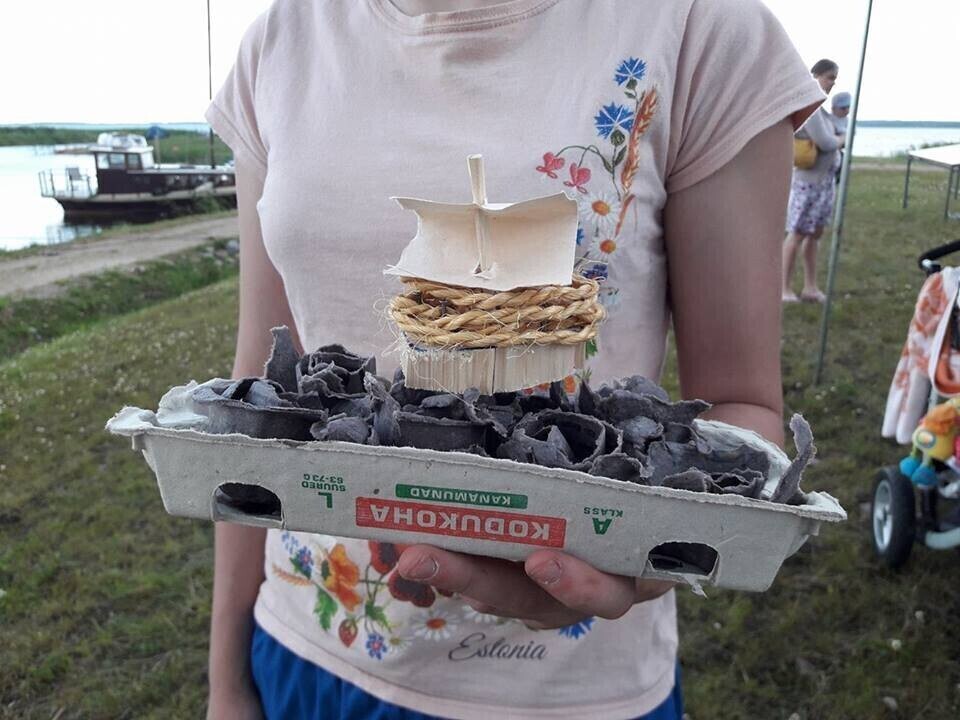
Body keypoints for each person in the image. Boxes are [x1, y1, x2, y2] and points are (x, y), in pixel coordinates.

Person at [204, 1, 824, 718]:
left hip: (570, 692)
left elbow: (741, 411)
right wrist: (226, 682)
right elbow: (257, 397)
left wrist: (646, 553)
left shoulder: (701, 29)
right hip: (305, 642)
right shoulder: (280, 42)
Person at [782, 59, 845, 303]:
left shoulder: (821, 109)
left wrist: (837, 136)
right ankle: (784, 288)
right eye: (830, 77)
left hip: (823, 183)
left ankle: (810, 287)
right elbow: (827, 142)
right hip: (808, 183)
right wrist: (841, 140)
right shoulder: (810, 107)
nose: (832, 83)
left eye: (834, 79)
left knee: (815, 234)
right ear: (815, 76)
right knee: (797, 233)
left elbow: (834, 132)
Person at [829, 91, 851, 183]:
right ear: (833, 109)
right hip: (831, 153)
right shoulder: (829, 119)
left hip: (841, 151)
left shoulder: (847, 121)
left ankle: (840, 179)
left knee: (843, 165)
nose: (846, 110)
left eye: (848, 107)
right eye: (843, 108)